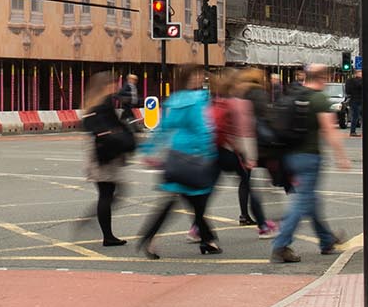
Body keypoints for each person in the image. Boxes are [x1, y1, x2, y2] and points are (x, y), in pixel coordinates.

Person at [136, 63, 220, 259]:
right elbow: (203, 128)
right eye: (197, 75)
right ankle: (206, 240)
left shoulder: (173, 100)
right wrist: (209, 151)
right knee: (196, 201)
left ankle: (207, 240)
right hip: (196, 156)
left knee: (186, 201)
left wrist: (148, 150)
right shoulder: (198, 100)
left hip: (176, 156)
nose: (200, 78)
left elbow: (162, 128)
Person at [266, 63, 347, 263]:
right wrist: (341, 155)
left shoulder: (296, 95)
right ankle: (281, 245)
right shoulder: (319, 99)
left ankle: (326, 240)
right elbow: (329, 129)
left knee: (310, 200)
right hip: (309, 157)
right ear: (323, 78)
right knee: (302, 201)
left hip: (289, 156)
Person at [80, 72, 133, 248]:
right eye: (113, 84)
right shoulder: (101, 105)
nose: (116, 87)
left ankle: (106, 233)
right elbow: (101, 128)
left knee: (108, 192)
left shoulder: (97, 103)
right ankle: (106, 234)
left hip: (102, 153)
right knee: (108, 193)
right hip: (102, 155)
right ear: (105, 85)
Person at [211, 70, 268, 233]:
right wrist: (249, 157)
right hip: (235, 152)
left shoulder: (217, 101)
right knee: (248, 184)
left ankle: (196, 228)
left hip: (218, 149)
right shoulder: (242, 104)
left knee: (210, 189)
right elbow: (245, 131)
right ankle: (262, 225)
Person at [343, 66, 366, 138]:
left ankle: (353, 131)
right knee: (359, 116)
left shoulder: (349, 81)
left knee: (355, 116)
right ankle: (354, 131)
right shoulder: (361, 81)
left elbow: (347, 91)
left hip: (353, 100)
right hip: (359, 100)